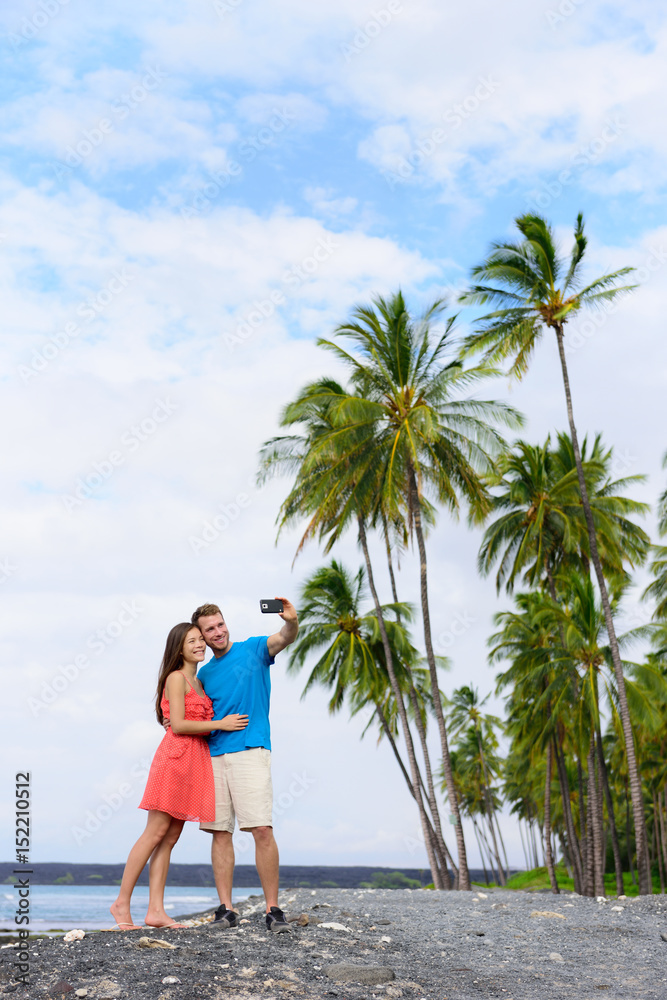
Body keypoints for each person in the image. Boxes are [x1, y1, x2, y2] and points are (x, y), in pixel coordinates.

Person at [109, 622, 249, 931]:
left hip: (194, 763)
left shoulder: (199, 683)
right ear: (179, 648)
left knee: (170, 838)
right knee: (155, 833)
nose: (200, 644)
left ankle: (156, 910)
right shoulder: (177, 677)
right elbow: (180, 725)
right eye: (193, 641)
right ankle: (121, 903)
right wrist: (221, 724)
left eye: (201, 639)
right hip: (174, 759)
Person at [190, 598, 298, 933]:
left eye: (220, 624)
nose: (218, 632)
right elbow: (191, 709)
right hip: (214, 755)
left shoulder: (253, 649)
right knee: (220, 832)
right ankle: (226, 910)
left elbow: (284, 637)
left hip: (251, 749)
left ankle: (273, 909)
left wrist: (292, 621)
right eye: (210, 629)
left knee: (261, 829)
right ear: (203, 638)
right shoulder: (204, 674)